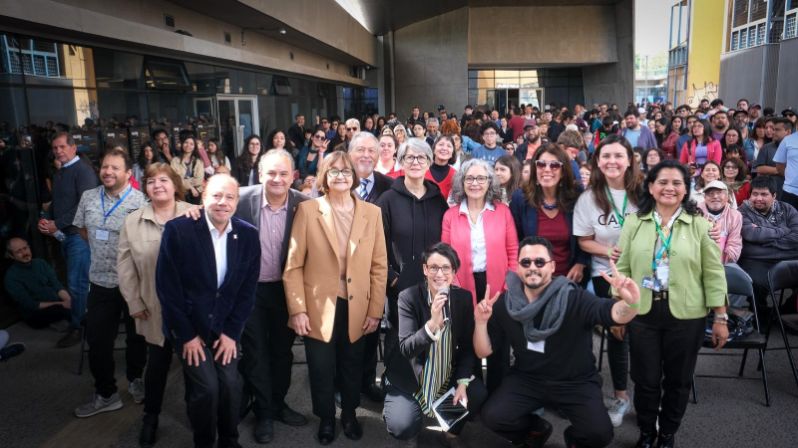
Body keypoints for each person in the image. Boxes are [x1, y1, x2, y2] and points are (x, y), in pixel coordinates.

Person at [476, 236, 642, 448]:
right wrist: (480, 323)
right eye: (526, 262)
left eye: (540, 262)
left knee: (599, 434)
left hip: (575, 381)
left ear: (553, 266)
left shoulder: (573, 297)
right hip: (527, 378)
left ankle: (574, 440)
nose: (532, 267)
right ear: (518, 267)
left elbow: (615, 314)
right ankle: (535, 429)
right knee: (492, 416)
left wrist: (631, 302)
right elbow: (483, 352)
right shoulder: (506, 304)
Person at [614, 160, 728, 448]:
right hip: (642, 312)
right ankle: (646, 432)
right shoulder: (633, 223)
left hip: (686, 315)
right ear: (651, 188)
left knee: (678, 381)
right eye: (662, 182)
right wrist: (618, 311)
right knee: (646, 379)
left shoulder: (701, 226)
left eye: (677, 183)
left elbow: (714, 273)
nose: (669, 188)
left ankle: (666, 434)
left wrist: (720, 317)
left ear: (686, 190)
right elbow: (623, 269)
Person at [283, 151, 388, 445]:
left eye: (345, 171)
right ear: (324, 177)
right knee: (321, 367)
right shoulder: (308, 211)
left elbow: (379, 266)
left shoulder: (372, 213)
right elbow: (293, 266)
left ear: (354, 176)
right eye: (333, 171)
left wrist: (375, 310)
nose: (340, 176)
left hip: (359, 305)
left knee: (353, 365)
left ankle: (350, 415)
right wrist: (297, 309)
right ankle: (327, 419)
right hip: (318, 306)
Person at [156, 174, 260, 448]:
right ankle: (203, 441)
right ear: (203, 197)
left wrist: (231, 333)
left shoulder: (248, 235)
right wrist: (188, 336)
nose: (222, 202)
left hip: (225, 327)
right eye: (216, 195)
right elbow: (168, 290)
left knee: (230, 384)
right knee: (207, 388)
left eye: (229, 197)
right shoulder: (178, 231)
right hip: (189, 327)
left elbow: (247, 291)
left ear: (237, 201)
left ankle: (228, 439)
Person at [117, 162, 192, 447]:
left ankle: (196, 414)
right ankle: (151, 417)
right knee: (157, 366)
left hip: (189, 311)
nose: (157, 185)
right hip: (152, 307)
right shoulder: (132, 221)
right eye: (150, 181)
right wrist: (134, 302)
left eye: (163, 180)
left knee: (193, 366)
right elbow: (124, 268)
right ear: (145, 187)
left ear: (175, 184)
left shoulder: (195, 214)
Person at [382, 242, 486, 444]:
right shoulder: (408, 298)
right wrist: (431, 326)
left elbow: (466, 348)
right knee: (402, 425)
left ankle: (450, 428)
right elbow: (406, 348)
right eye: (434, 267)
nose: (440, 274)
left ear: (454, 271)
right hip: (412, 379)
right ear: (424, 269)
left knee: (477, 392)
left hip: (445, 377)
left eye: (446, 268)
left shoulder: (463, 299)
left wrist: (462, 383)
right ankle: (402, 410)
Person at [73, 148, 148, 418]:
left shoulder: (140, 201)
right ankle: (106, 394)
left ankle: (136, 379)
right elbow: (84, 231)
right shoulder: (89, 198)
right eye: (105, 166)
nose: (108, 171)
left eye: (115, 167)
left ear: (128, 173)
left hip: (133, 284)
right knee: (98, 340)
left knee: (137, 337)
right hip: (100, 282)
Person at [573, 134, 641, 428]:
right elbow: (584, 241)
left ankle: (650, 398)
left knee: (649, 338)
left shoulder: (646, 192)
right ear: (598, 162)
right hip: (608, 275)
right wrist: (606, 249)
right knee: (618, 334)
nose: (612, 161)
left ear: (629, 160)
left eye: (618, 156)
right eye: (606, 157)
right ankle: (621, 397)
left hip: (645, 275)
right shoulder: (589, 198)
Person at [442, 158, 518, 392]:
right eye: (470, 178)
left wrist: (508, 285)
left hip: (497, 285)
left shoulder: (502, 212)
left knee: (498, 343)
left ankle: (498, 396)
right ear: (462, 182)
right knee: (468, 341)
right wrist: (453, 286)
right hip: (463, 285)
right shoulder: (451, 215)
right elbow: (446, 257)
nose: (475, 183)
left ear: (489, 182)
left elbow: (513, 251)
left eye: (481, 178)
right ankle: (475, 396)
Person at [37, 132, 98, 345]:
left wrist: (57, 223)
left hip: (79, 237)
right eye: (55, 148)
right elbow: (57, 202)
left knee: (77, 284)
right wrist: (46, 218)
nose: (58, 151)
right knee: (75, 283)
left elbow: (86, 205)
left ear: (73, 148)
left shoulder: (83, 171)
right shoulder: (61, 172)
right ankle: (79, 321)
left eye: (62, 147)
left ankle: (79, 327)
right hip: (66, 236)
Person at [510, 143, 588, 284]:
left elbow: (586, 235)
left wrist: (580, 264)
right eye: (541, 164)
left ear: (563, 171)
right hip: (533, 281)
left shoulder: (576, 196)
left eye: (554, 165)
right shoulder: (520, 198)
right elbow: (515, 242)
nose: (547, 170)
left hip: (568, 280)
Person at [4, 237, 77, 347]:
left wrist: (69, 300)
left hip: (56, 301)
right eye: (19, 251)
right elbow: (31, 305)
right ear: (11, 255)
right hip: (35, 314)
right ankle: (77, 330)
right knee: (64, 310)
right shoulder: (11, 277)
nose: (24, 253)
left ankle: (77, 320)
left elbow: (56, 285)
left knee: (79, 295)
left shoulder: (40, 263)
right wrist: (62, 304)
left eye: (25, 248)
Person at [738, 175, 798, 302]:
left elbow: (796, 238)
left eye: (764, 194)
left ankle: (786, 312)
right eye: (755, 194)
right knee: (756, 284)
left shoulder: (787, 209)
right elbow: (751, 236)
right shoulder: (742, 212)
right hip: (756, 262)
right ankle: (760, 317)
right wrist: (783, 230)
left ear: (774, 196)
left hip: (786, 259)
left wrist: (763, 240)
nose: (758, 198)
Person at [697, 180, 743, 264]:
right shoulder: (695, 213)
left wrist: (720, 264)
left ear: (727, 196)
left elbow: (734, 244)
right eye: (710, 193)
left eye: (719, 193)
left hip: (723, 264)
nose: (715, 196)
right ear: (704, 197)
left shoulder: (735, 216)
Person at [755, 117, 789, 195]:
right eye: (766, 128)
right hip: (771, 190)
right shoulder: (766, 147)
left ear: (788, 131)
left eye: (776, 130)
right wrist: (780, 170)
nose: (772, 132)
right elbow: (760, 169)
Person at [171, 136, 205, 204]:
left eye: (191, 144)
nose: (188, 145)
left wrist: (184, 181)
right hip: (181, 194)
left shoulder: (199, 161)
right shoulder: (174, 161)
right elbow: (175, 179)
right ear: (182, 144)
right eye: (186, 142)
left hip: (196, 194)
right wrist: (191, 187)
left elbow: (199, 180)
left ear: (194, 147)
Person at [774, 117, 798, 210]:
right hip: (790, 192)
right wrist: (791, 178)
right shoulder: (788, 140)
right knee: (786, 222)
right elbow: (780, 166)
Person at [425, 135, 457, 200]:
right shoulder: (422, 170)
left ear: (452, 153)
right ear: (433, 149)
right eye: (441, 144)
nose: (444, 148)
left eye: (449, 146)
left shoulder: (456, 176)